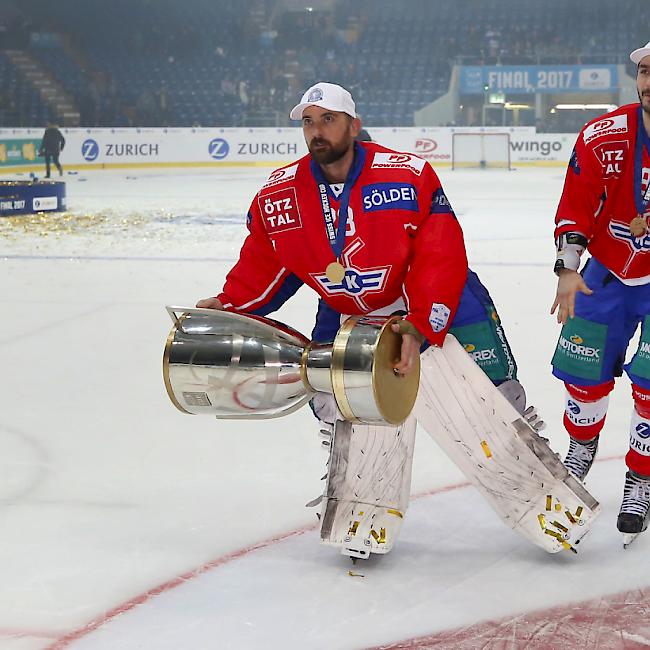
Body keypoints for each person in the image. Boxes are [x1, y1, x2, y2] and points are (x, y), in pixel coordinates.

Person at [197, 81, 521, 400]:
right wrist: (229, 304)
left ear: (354, 126)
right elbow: (265, 263)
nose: (317, 131)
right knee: (330, 400)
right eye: (308, 121)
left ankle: (520, 438)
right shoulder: (279, 194)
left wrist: (422, 321)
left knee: (498, 398)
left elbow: (440, 253)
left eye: (328, 119)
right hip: (346, 305)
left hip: (434, 294)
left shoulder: (407, 176)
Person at [550, 41, 650, 541]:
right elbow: (577, 202)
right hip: (607, 272)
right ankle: (582, 447)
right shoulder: (602, 135)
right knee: (583, 372)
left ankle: (640, 475)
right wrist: (569, 268)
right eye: (646, 71)